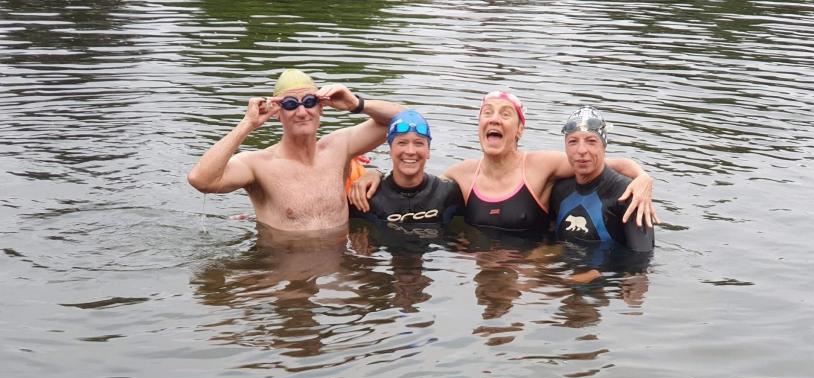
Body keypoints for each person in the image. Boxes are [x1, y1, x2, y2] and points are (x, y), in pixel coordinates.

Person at [187, 68, 405, 232]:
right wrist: (248, 124)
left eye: (309, 101)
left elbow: (404, 119)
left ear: (322, 107)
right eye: (290, 104)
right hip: (282, 273)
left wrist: (356, 104)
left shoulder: (339, 147)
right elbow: (201, 180)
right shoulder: (258, 164)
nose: (302, 112)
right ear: (277, 113)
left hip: (337, 269)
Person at [439, 91, 658, 235]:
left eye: (505, 114)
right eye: (487, 113)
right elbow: (421, 190)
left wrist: (643, 177)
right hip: (482, 271)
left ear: (519, 130)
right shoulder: (461, 173)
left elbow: (604, 163)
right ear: (480, 125)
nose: (494, 119)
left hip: (529, 276)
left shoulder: (540, 166)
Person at [550, 105, 655, 253]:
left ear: (603, 146)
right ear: (565, 147)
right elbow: (549, 239)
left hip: (607, 274)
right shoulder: (559, 190)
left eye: (591, 141)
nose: (581, 150)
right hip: (568, 271)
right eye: (573, 141)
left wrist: (594, 274)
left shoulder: (631, 195)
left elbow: (640, 264)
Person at [348, 109, 463, 229]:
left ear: (428, 151)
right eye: (402, 143)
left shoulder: (449, 193)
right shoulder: (366, 197)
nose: (410, 151)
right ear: (390, 150)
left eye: (418, 143)